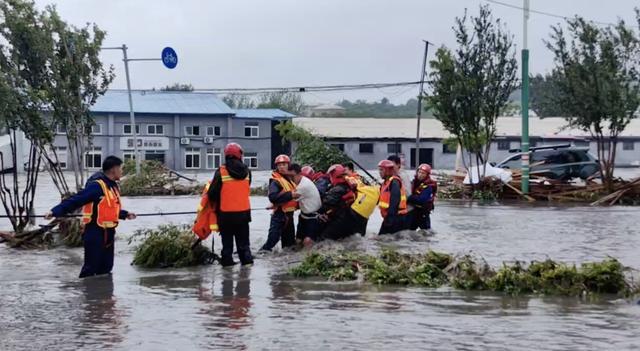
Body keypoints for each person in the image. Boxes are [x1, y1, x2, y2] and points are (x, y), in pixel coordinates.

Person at [45, 156, 136, 278]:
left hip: (109, 233)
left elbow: (109, 209)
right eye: (121, 168)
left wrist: (125, 214)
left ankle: (103, 294)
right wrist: (54, 211)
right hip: (94, 233)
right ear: (114, 169)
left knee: (106, 267)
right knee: (90, 268)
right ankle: (87, 294)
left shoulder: (113, 187)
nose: (122, 171)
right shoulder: (97, 186)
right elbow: (76, 200)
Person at [206, 143, 254, 267]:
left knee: (227, 246)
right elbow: (246, 189)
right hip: (243, 215)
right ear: (240, 155)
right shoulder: (247, 172)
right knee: (244, 245)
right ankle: (247, 269)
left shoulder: (221, 171)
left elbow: (212, 194)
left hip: (225, 215)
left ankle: (227, 269)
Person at [261, 154, 299, 252]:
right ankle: (260, 257)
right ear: (276, 167)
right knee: (271, 242)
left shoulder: (290, 179)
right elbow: (273, 197)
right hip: (279, 217)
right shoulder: (275, 181)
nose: (282, 167)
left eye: (284, 164)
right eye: (279, 165)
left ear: (288, 165)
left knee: (289, 246)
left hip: (289, 217)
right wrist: (290, 195)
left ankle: (285, 264)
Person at [318, 164, 365, 240]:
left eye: (330, 176)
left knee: (324, 238)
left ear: (334, 175)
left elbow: (325, 205)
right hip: (351, 219)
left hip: (341, 220)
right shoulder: (349, 185)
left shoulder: (337, 189)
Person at [290, 164, 322, 247]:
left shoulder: (303, 186)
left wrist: (274, 204)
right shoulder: (301, 181)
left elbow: (289, 199)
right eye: (289, 176)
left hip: (313, 217)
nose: (291, 179)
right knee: (298, 241)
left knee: (307, 242)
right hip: (303, 216)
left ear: (299, 174)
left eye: (292, 176)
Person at [377, 159, 408, 235]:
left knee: (385, 239)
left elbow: (395, 201)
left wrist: (390, 219)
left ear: (387, 171)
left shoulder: (394, 182)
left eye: (382, 170)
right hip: (390, 217)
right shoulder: (385, 183)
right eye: (379, 170)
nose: (379, 172)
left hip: (396, 217)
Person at [407, 164, 436, 230]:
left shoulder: (429, 186)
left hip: (423, 213)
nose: (420, 175)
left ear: (427, 175)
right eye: (419, 172)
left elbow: (422, 200)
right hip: (413, 211)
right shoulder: (414, 182)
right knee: (409, 230)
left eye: (423, 173)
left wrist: (409, 197)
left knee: (426, 232)